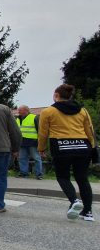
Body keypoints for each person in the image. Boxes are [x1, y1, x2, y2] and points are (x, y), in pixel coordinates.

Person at [38, 84, 96, 221]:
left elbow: (43, 133)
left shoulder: (48, 111)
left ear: (56, 95)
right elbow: (89, 130)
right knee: (82, 178)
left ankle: (74, 200)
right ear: (70, 96)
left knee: (63, 177)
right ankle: (88, 213)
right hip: (83, 147)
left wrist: (41, 148)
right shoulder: (83, 111)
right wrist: (93, 148)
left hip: (61, 146)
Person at [16, 105, 43, 179]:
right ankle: (23, 173)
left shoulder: (34, 117)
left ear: (26, 110)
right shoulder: (18, 119)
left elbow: (40, 130)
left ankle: (39, 174)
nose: (18, 112)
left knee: (36, 158)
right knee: (22, 158)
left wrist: (40, 142)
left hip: (32, 142)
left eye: (20, 110)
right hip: (22, 142)